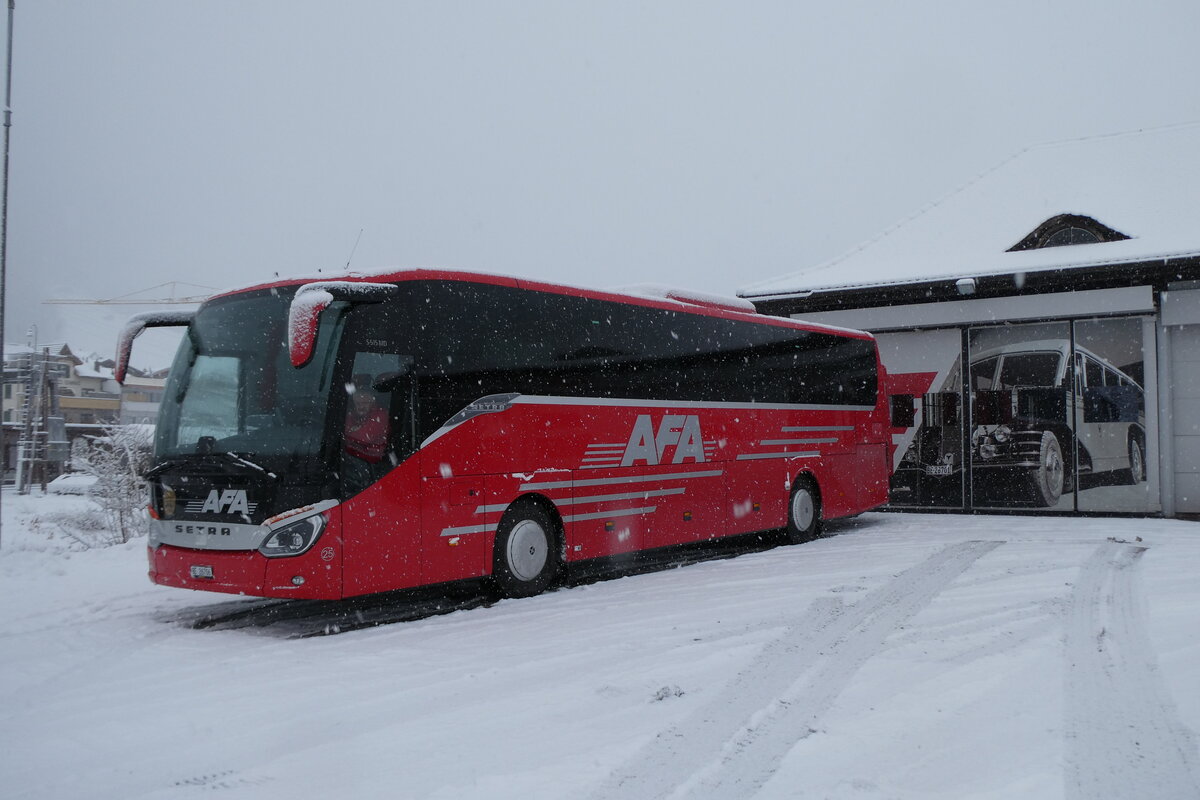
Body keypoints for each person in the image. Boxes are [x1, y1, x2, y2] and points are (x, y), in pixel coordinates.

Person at [344, 374, 389, 463]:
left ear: (373, 400)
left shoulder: (381, 415)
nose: (361, 406)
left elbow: (362, 438)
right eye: (358, 403)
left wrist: (350, 433)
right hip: (350, 459)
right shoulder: (351, 415)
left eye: (365, 403)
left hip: (370, 463)